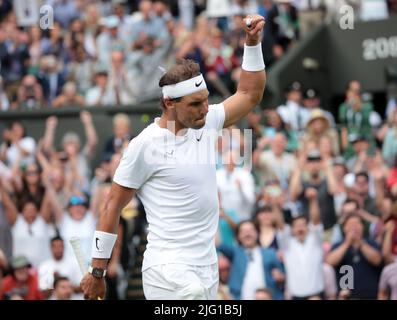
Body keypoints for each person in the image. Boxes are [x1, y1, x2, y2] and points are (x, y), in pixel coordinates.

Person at [81, 14, 266, 300]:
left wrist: (252, 44)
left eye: (206, 99)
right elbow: (111, 207)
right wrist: (97, 272)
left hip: (206, 267)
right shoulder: (145, 145)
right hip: (167, 270)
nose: (205, 108)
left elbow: (249, 94)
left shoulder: (208, 120)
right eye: (196, 104)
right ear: (169, 103)